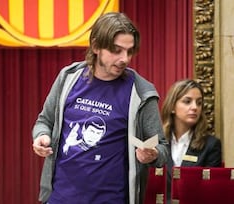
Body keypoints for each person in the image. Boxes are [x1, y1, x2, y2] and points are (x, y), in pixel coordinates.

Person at [32, 12, 168, 204]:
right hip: (60, 198)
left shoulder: (141, 92)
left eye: (129, 51)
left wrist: (152, 155)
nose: (125, 59)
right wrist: (41, 137)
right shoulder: (68, 77)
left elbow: (162, 148)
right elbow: (44, 121)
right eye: (117, 50)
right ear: (96, 46)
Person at [161, 79, 222, 203]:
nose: (194, 107)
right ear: (172, 106)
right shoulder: (158, 142)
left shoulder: (211, 145)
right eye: (187, 101)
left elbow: (209, 192)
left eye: (199, 103)